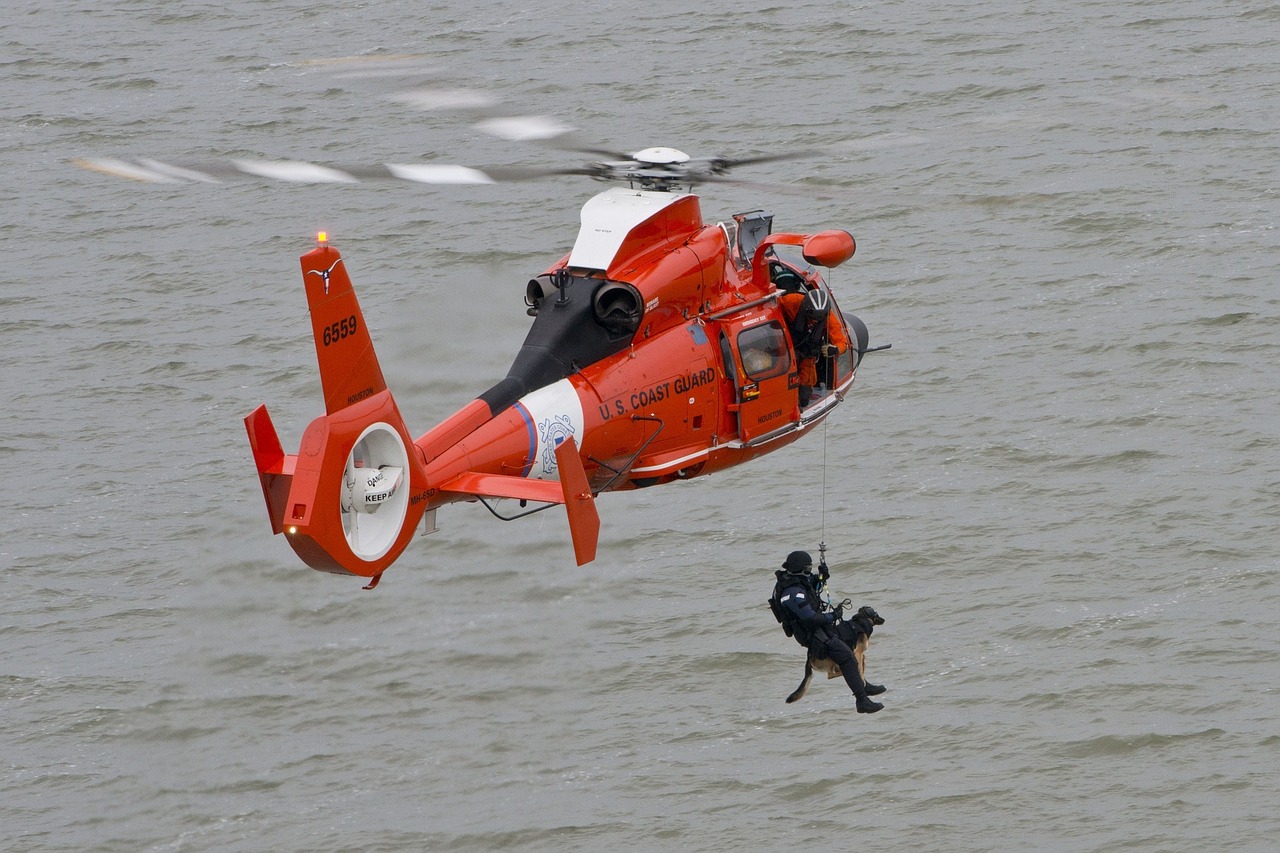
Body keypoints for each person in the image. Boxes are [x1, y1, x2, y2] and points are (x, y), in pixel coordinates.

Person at [770, 550, 884, 713]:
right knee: (848, 658)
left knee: (850, 633)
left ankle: (864, 685)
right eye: (809, 567)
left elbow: (814, 586)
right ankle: (862, 701)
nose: (810, 570)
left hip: (819, 628)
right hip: (812, 635)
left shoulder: (796, 579)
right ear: (803, 568)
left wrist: (822, 576)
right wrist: (833, 615)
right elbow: (810, 618)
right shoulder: (792, 593)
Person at [779, 287, 850, 407]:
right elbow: (770, 307)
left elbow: (843, 343)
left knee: (805, 395)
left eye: (818, 320)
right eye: (812, 319)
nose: (814, 322)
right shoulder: (791, 301)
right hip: (787, 348)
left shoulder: (829, 317)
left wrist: (834, 349)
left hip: (808, 354)